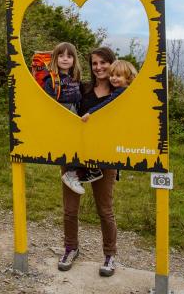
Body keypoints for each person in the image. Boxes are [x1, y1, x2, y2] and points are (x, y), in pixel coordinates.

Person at [58, 46, 118, 277]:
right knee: (70, 210)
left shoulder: (120, 93)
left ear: (112, 63)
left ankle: (110, 255)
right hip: (74, 157)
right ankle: (70, 248)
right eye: (95, 63)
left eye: (103, 62)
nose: (99, 67)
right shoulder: (82, 89)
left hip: (105, 158)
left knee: (105, 210)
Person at [43, 42, 87, 195]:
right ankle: (70, 173)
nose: (65, 59)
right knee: (71, 144)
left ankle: (81, 171)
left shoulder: (75, 78)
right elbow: (49, 102)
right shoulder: (51, 80)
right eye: (61, 56)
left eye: (69, 56)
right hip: (62, 115)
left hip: (75, 113)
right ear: (55, 59)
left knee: (81, 142)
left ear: (74, 59)